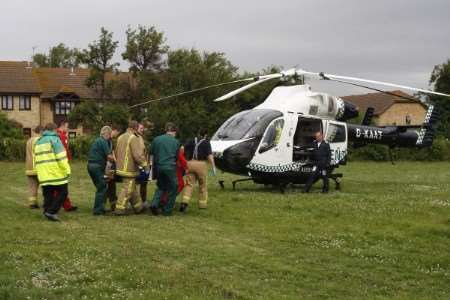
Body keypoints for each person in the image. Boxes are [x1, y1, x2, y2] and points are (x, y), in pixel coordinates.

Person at [34, 123, 71, 221]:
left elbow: (36, 158)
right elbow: (61, 157)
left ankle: (47, 211)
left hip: (43, 173)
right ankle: (52, 212)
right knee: (63, 192)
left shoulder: (38, 141)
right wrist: (67, 170)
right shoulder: (55, 139)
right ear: (54, 130)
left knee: (48, 193)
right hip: (55, 172)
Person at [114, 121, 148, 215]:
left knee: (132, 188)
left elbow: (116, 152)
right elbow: (138, 154)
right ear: (135, 128)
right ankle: (119, 209)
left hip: (120, 166)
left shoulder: (120, 137)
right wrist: (145, 165)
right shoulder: (134, 138)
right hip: (129, 168)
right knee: (128, 188)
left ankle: (138, 207)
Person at [181, 128, 216, 212]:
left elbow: (182, 149)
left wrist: (183, 159)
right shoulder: (206, 143)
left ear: (198, 133)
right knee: (202, 185)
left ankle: (184, 203)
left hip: (190, 163)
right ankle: (202, 205)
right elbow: (209, 155)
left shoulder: (191, 140)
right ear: (205, 135)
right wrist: (213, 166)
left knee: (189, 184)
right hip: (201, 164)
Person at [150, 122, 180, 216]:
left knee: (161, 186)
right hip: (170, 167)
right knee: (174, 187)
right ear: (174, 131)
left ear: (166, 130)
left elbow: (151, 152)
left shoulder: (156, 139)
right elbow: (176, 156)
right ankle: (167, 210)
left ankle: (154, 204)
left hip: (159, 166)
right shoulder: (176, 142)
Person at [87, 126, 116, 215]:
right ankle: (97, 211)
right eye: (110, 134)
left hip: (91, 166)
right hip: (97, 166)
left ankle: (101, 207)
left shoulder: (98, 140)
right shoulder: (103, 141)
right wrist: (117, 161)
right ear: (107, 133)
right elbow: (109, 156)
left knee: (102, 187)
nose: (110, 136)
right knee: (102, 187)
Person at [56, 120, 77, 212]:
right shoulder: (61, 136)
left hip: (59, 163)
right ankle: (65, 205)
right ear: (63, 126)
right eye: (67, 126)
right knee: (61, 186)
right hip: (61, 164)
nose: (68, 129)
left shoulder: (58, 135)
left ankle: (66, 205)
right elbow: (64, 151)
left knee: (59, 186)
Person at [25, 125, 43, 209]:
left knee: (32, 186)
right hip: (38, 166)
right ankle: (47, 202)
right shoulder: (40, 140)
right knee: (45, 186)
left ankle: (32, 203)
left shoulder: (29, 140)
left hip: (29, 167)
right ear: (41, 131)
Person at [136, 123, 150, 207]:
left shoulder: (141, 138)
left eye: (142, 128)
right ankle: (133, 202)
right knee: (133, 184)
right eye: (140, 128)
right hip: (135, 164)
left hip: (143, 164)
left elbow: (144, 151)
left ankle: (144, 201)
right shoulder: (133, 138)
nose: (142, 130)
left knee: (144, 183)